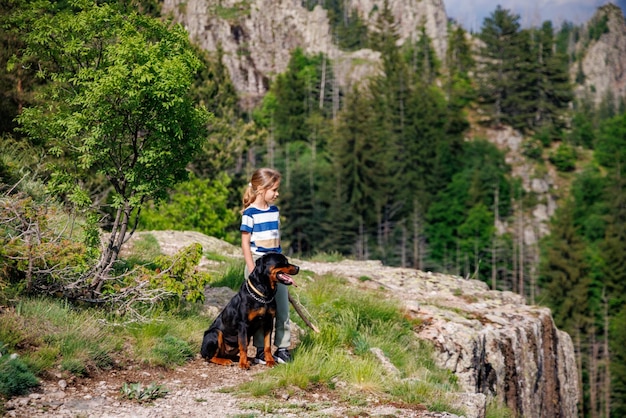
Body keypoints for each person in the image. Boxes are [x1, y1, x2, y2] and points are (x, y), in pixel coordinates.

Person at [240, 167, 292, 364]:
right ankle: (261, 350)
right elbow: (245, 243)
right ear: (261, 188)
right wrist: (252, 269)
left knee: (282, 309)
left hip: (275, 268)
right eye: (274, 189)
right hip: (257, 267)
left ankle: (283, 347)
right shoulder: (249, 213)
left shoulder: (274, 211)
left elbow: (276, 241)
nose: (277, 193)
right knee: (260, 311)